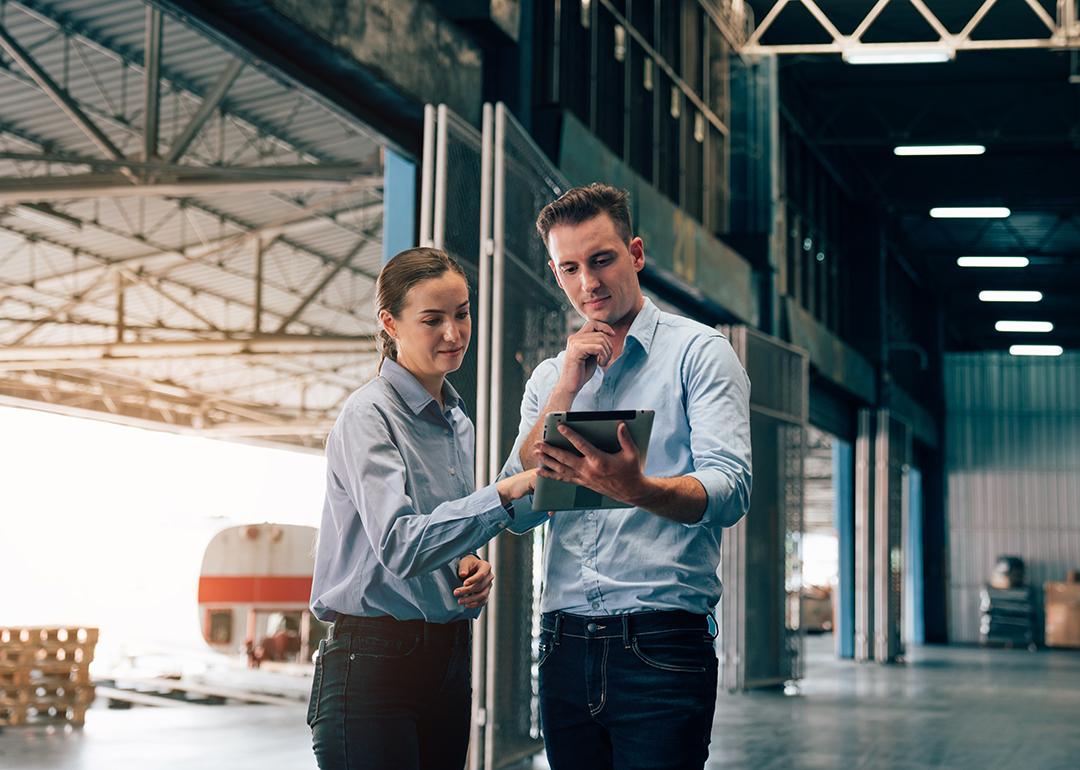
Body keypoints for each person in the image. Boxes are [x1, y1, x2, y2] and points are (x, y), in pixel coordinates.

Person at [501, 184, 753, 770]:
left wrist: (638, 490)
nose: (587, 282)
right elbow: (517, 506)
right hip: (563, 642)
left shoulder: (699, 354)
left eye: (602, 259)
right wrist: (566, 388)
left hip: (662, 642)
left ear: (635, 254)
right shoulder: (550, 378)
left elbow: (731, 487)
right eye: (569, 268)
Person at [307, 247, 537, 770]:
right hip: (371, 666)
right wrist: (501, 495)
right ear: (390, 323)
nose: (454, 334)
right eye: (432, 320)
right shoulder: (368, 415)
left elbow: (441, 533)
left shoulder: (457, 422)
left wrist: (469, 565)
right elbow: (401, 545)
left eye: (462, 313)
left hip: (448, 658)